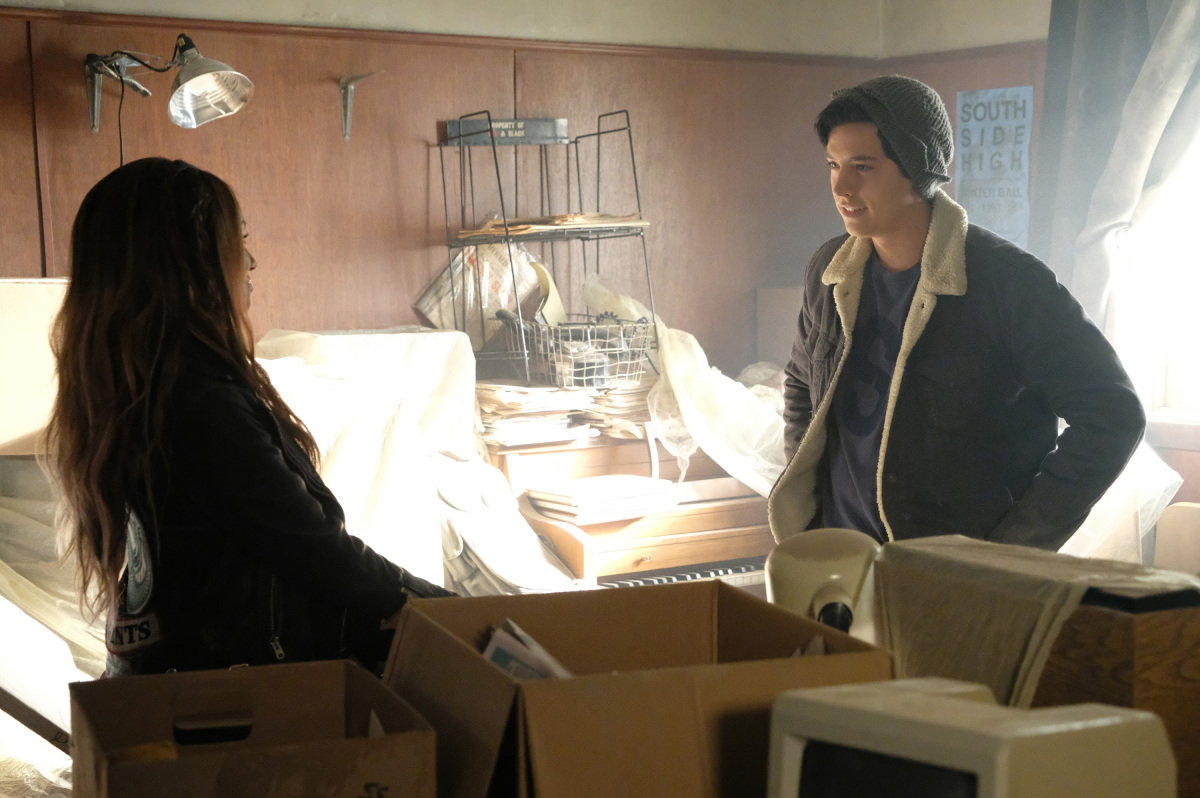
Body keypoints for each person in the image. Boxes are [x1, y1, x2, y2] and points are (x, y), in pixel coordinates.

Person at [48, 157, 452, 677]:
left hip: (166, 678)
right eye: (236, 243)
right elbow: (317, 551)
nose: (251, 262)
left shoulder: (146, 390)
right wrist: (454, 611)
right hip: (226, 697)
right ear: (189, 267)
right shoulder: (200, 406)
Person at [767, 76, 1146, 551]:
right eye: (833, 165)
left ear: (916, 167)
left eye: (863, 166)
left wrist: (1012, 549)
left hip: (951, 574)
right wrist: (813, 506)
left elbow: (1112, 414)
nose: (841, 186)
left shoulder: (1008, 283)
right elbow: (801, 384)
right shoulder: (829, 271)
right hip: (839, 556)